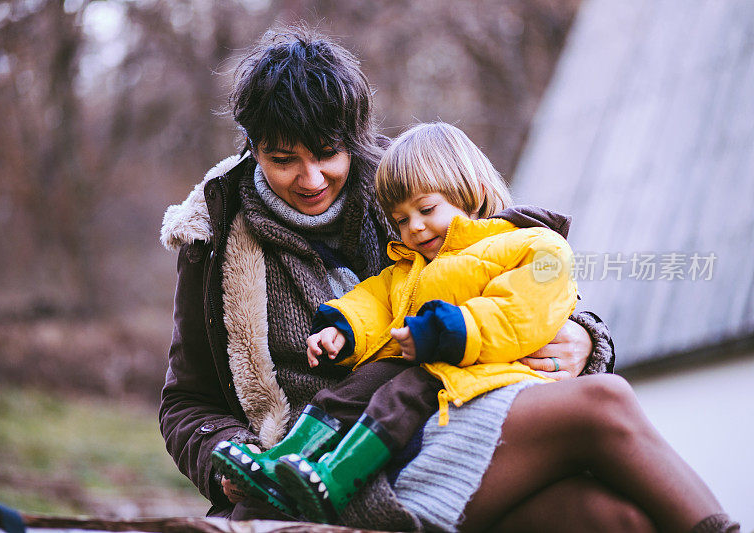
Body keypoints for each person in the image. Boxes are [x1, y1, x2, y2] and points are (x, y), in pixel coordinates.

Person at [159, 27, 736, 532]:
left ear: (351, 137)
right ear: (251, 146)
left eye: (328, 153)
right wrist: (226, 456)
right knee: (604, 407)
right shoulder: (215, 236)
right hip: (329, 466)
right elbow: (186, 403)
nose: (311, 178)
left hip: (445, 415)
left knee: (615, 521)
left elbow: (521, 263)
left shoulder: (407, 187)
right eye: (283, 159)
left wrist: (585, 338)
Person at [211, 121, 578, 522]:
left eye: (426, 209)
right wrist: (342, 330)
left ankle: (338, 477)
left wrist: (447, 331)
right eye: (401, 220)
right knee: (349, 392)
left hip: (474, 370)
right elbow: (374, 300)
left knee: (397, 397)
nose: (414, 228)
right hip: (420, 362)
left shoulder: (532, 244)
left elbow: (521, 310)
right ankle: (282, 459)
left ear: (473, 194)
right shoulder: (410, 265)